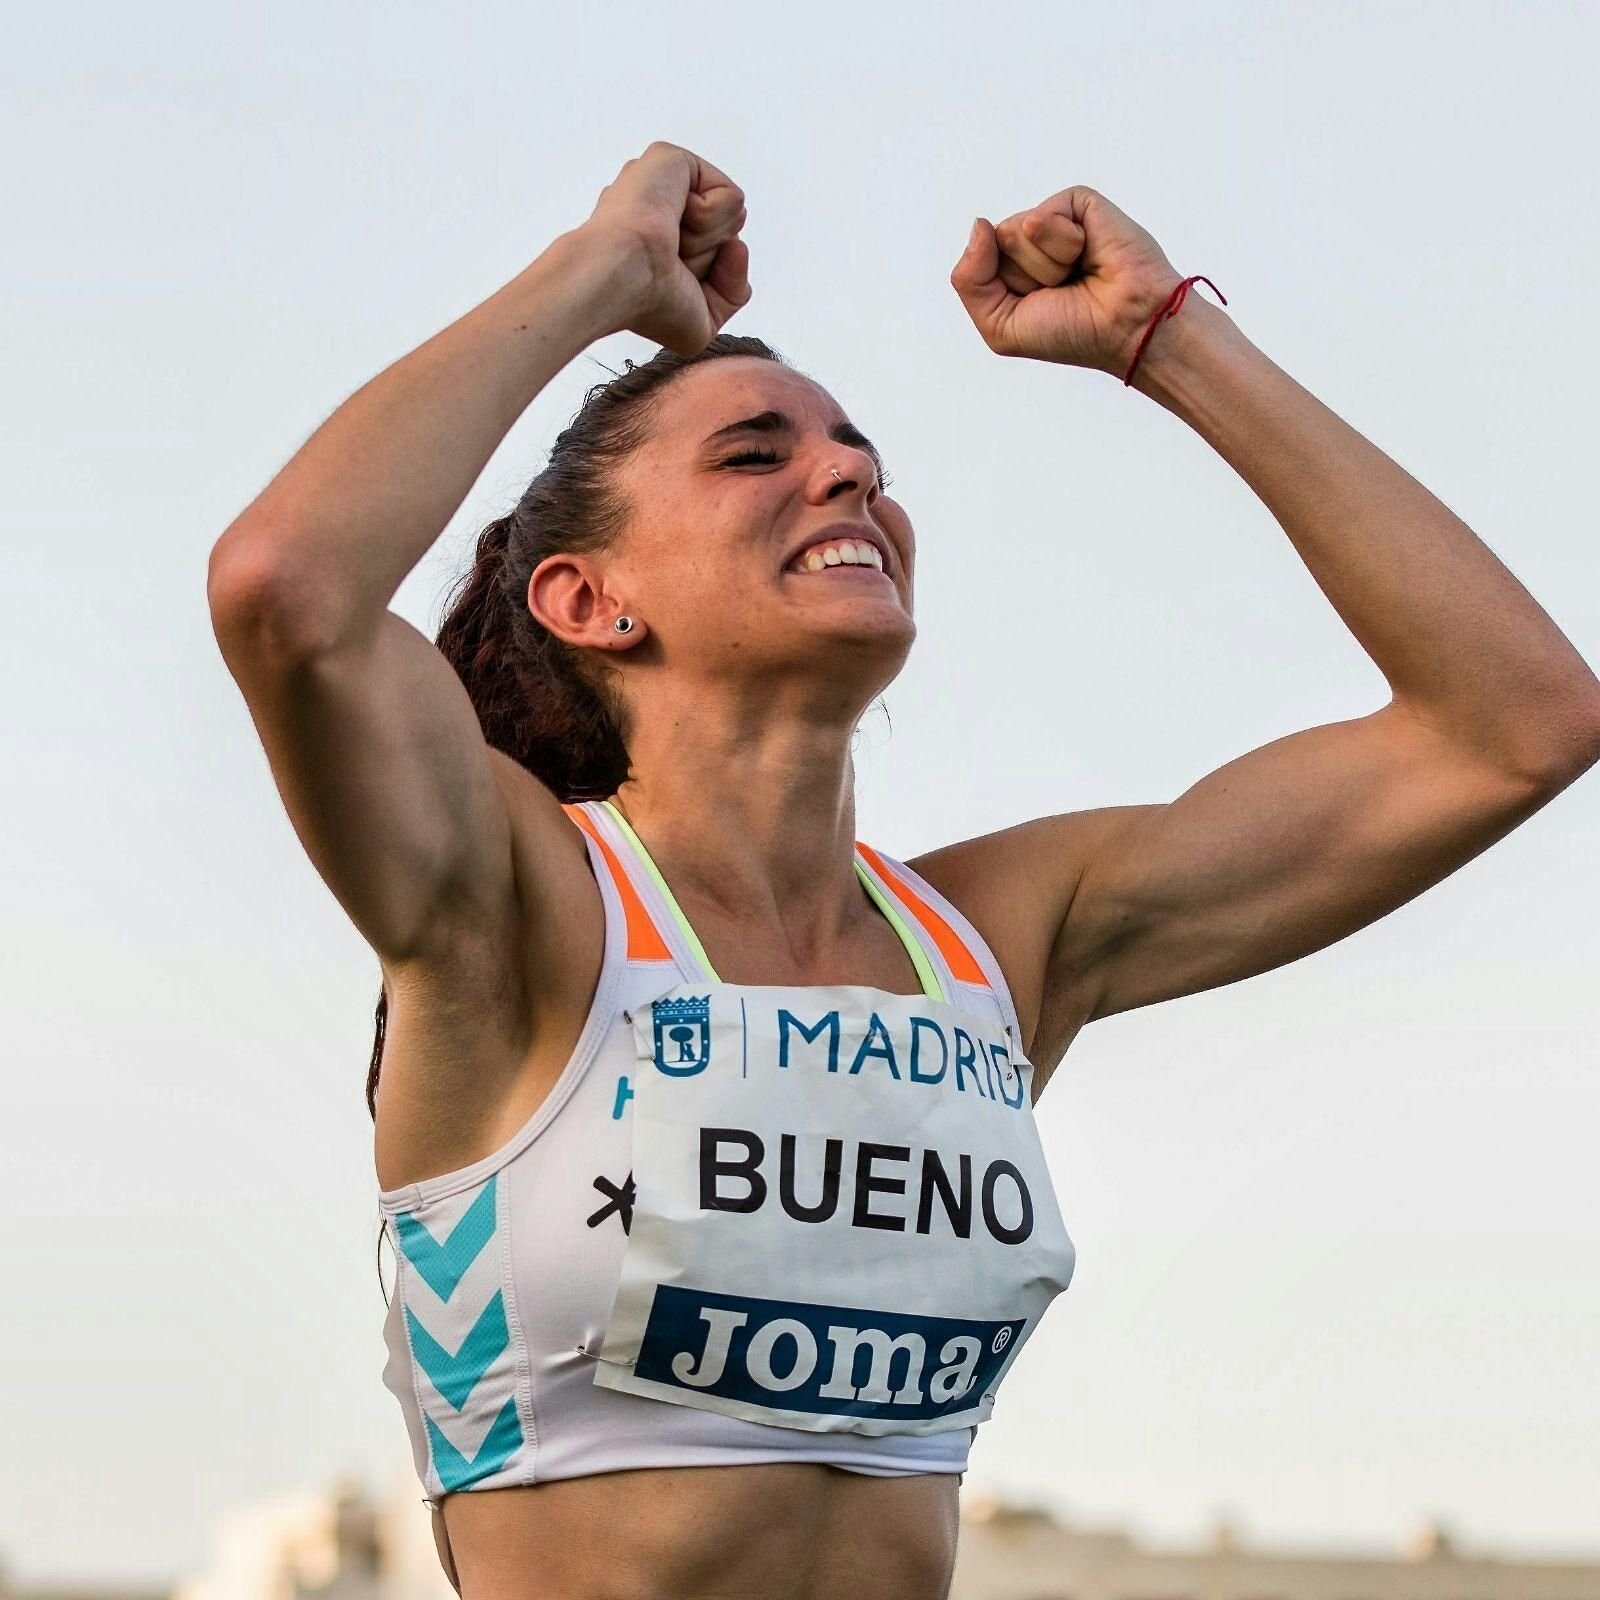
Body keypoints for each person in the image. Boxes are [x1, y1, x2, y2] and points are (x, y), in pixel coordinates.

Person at [206, 141, 1600, 1600]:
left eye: (862, 456)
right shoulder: (517, 901)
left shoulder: (996, 938)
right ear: (587, 598)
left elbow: (1515, 726)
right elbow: (283, 591)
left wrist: (1168, 341)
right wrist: (602, 278)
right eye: (759, 453)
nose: (849, 472)